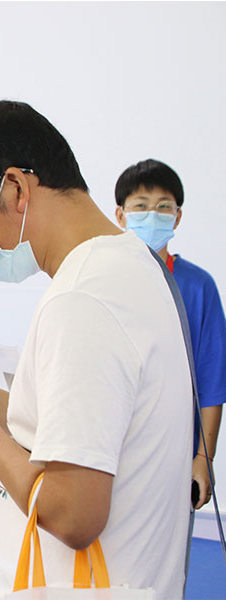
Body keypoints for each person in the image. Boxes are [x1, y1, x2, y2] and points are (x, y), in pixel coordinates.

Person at [0, 101, 191, 597]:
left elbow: (74, 514)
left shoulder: (83, 297)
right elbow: (92, 426)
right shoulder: (128, 264)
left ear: (15, 188)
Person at [115, 158, 223, 510]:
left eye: (164, 207)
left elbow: (211, 382)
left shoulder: (197, 286)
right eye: (141, 206)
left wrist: (203, 459)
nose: (152, 215)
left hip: (174, 454)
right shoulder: (105, 278)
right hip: (112, 447)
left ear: (177, 217)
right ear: (120, 215)